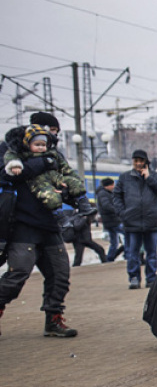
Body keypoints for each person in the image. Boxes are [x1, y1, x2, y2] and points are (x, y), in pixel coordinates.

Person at [0, 124, 79, 338]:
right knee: (17, 275)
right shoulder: (10, 153)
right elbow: (8, 175)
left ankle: (53, 320)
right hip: (22, 226)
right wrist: (44, 162)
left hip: (49, 225)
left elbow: (66, 178)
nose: (53, 135)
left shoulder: (53, 156)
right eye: (50, 129)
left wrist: (65, 190)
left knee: (60, 274)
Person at [114, 149, 157, 289]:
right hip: (131, 221)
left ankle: (151, 278)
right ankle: (134, 278)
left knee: (152, 252)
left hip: (152, 221)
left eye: (141, 161)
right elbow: (117, 196)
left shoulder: (155, 176)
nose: (138, 164)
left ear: (146, 162)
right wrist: (123, 213)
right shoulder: (124, 178)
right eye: (135, 161)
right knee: (132, 252)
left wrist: (149, 178)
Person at [3, 125, 87, 211]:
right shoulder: (17, 152)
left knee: (73, 183)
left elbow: (66, 169)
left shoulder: (53, 153)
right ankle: (60, 214)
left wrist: (68, 190)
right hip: (30, 205)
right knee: (51, 197)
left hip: (56, 182)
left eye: (43, 145)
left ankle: (83, 204)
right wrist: (44, 162)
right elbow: (6, 174)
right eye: (52, 129)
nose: (55, 133)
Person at [70, 201, 108, 266]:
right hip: (80, 240)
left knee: (100, 250)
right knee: (78, 259)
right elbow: (77, 226)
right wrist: (84, 219)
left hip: (85, 239)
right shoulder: (78, 215)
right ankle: (106, 263)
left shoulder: (84, 214)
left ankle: (105, 263)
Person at [95, 177, 123, 261]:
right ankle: (127, 254)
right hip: (113, 220)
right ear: (107, 186)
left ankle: (110, 258)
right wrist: (118, 210)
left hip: (110, 221)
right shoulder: (103, 194)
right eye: (112, 185)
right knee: (129, 234)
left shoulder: (105, 193)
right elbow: (106, 205)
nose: (113, 186)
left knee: (114, 242)